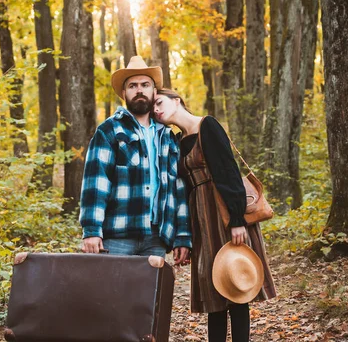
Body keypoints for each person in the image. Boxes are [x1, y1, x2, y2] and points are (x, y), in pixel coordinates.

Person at [153, 88, 276, 342]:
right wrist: (183, 235)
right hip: (201, 219)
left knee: (235, 285)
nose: (155, 109)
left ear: (176, 100)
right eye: (153, 107)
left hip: (223, 214)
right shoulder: (176, 140)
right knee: (214, 292)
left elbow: (228, 170)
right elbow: (181, 189)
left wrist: (237, 219)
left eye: (159, 102)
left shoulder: (207, 125)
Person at [79, 57, 191, 265]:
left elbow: (178, 187)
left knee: (147, 298)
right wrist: (92, 230)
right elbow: (96, 182)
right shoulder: (110, 130)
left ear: (154, 92)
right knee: (113, 296)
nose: (139, 90)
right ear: (124, 94)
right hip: (117, 237)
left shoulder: (167, 136)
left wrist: (182, 235)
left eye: (145, 85)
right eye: (132, 86)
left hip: (157, 238)